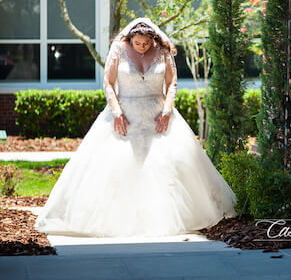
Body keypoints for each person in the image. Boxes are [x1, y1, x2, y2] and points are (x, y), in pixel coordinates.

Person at [35, 17, 236, 237]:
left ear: (153, 40)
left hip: (158, 115)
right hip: (125, 114)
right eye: (138, 43)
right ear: (130, 39)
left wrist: (167, 111)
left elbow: (172, 84)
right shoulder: (119, 50)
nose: (142, 47)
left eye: (146, 44)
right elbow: (109, 83)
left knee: (167, 167)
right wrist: (116, 113)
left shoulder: (163, 51)